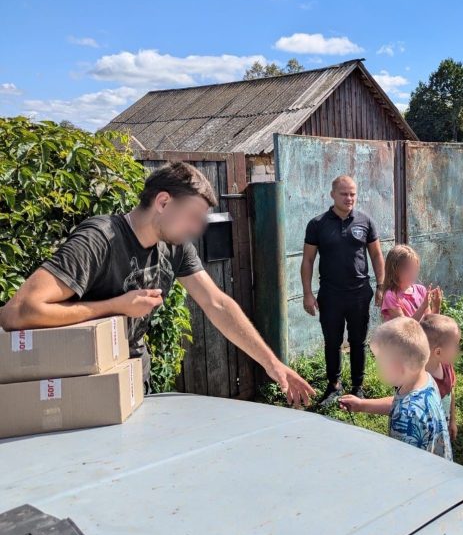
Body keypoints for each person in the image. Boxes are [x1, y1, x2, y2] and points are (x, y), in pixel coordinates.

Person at [0, 161, 315, 406]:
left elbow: (216, 303)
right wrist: (115, 307)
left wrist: (272, 364)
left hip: (135, 376)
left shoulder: (175, 246)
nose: (196, 229)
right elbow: (18, 313)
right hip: (81, 385)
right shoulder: (99, 239)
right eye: (192, 217)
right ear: (163, 202)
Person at [301, 175, 386, 406]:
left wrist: (380, 286)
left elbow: (377, 255)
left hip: (359, 293)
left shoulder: (365, 221)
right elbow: (308, 260)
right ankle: (334, 386)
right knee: (332, 341)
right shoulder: (317, 224)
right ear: (332, 195)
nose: (349, 198)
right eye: (344, 193)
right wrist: (307, 293)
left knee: (358, 341)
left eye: (353, 194)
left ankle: (358, 387)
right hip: (330, 294)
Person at [338, 317, 452, 461]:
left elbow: (402, 465)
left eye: (378, 360)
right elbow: (399, 401)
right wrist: (362, 405)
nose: (376, 366)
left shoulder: (406, 416)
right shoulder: (426, 381)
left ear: (396, 368)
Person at [420, 313, 460, 442]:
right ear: (438, 352)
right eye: (456, 345)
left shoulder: (447, 367)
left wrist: (452, 421)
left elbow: (451, 392)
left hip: (444, 428)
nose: (458, 350)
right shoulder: (420, 381)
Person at [380, 245, 443, 321]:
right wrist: (423, 306)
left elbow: (430, 324)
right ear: (394, 270)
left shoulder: (421, 290)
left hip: (421, 333)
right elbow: (405, 328)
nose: (412, 273)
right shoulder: (391, 296)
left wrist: (436, 306)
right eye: (407, 269)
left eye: (414, 269)